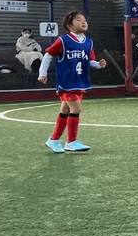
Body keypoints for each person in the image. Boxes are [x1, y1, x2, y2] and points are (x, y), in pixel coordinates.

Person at [37, 11, 106, 153]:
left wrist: (98, 64)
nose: (83, 22)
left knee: (65, 111)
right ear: (70, 26)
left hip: (80, 81)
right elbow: (48, 55)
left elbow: (89, 61)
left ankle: (54, 140)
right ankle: (71, 142)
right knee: (76, 109)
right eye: (78, 20)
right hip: (67, 82)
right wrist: (42, 73)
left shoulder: (89, 42)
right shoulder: (63, 40)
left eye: (84, 19)